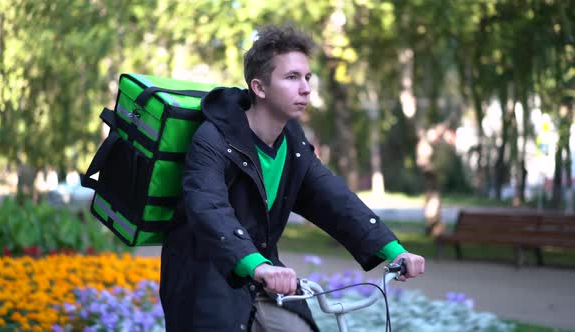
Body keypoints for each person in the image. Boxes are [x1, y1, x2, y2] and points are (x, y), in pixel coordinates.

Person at [159, 25, 425, 332]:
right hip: (205, 280)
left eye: (307, 77)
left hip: (264, 278)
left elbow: (334, 199)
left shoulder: (292, 144)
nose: (306, 88)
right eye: (291, 77)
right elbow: (209, 208)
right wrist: (255, 264)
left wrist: (394, 250)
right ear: (259, 88)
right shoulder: (214, 138)